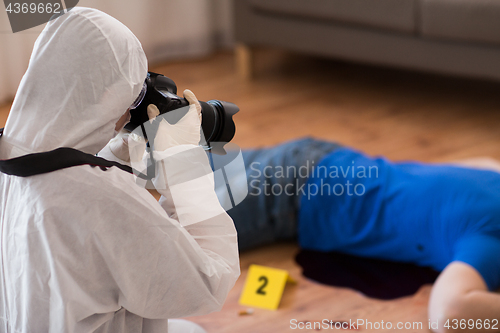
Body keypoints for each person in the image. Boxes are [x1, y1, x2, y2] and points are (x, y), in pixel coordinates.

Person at [0, 7, 239, 333]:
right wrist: (186, 162)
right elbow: (210, 282)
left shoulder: (10, 158)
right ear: (111, 94)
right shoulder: (103, 201)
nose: (129, 111)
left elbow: (64, 178)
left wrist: (116, 153)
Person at [227, 138, 500, 333]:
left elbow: (481, 162)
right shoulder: (489, 240)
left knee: (188, 160)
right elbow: (447, 315)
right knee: (186, 245)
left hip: (316, 156)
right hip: (286, 197)